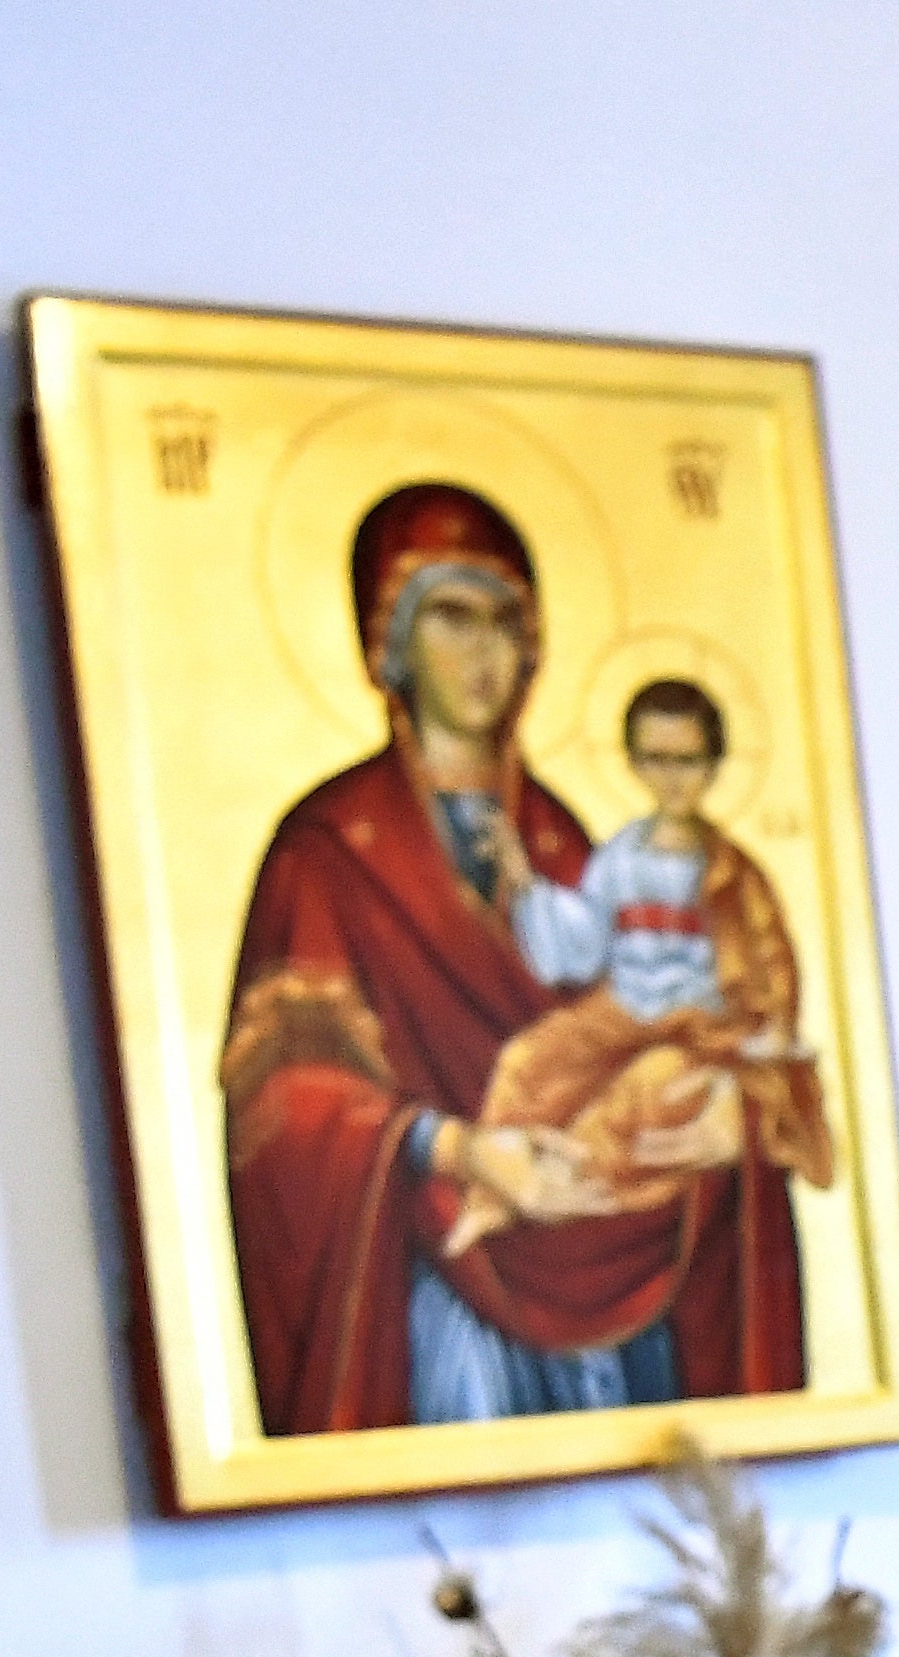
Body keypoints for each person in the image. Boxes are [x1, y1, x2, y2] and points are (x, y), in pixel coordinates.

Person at [214, 486, 812, 1430]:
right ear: (391, 639)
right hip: (443, 1280)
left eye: (505, 622)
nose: (485, 650)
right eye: (452, 616)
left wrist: (733, 1115)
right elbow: (277, 1098)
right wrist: (454, 1147)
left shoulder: (579, 848)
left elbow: (696, 1021)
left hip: (615, 1272)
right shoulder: (326, 852)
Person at [493, 675, 843, 1214]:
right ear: (634, 762)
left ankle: (572, 1194)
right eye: (657, 759)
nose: (673, 778)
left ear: (714, 763)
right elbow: (583, 945)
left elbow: (771, 973)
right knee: (525, 1063)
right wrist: (523, 885)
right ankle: (491, 1186)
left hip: (696, 1025)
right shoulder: (621, 857)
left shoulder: (732, 873)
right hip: (623, 1011)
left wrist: (760, 1057)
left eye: (689, 760)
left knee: (639, 1095)